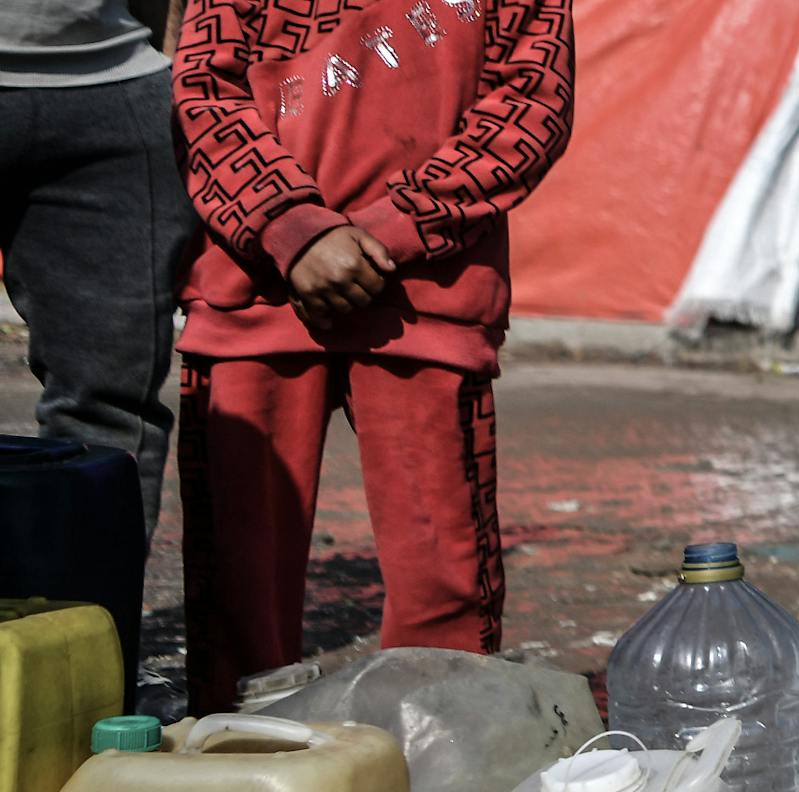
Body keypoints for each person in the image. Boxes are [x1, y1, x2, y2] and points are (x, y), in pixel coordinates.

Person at [171, 0, 571, 713]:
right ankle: (239, 782)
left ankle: (441, 785)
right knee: (238, 593)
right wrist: (289, 226)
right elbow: (204, 89)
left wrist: (390, 228)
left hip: (427, 298)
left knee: (441, 588)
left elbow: (531, 105)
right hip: (251, 292)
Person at [3, 0, 187, 537]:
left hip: (111, 83)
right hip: (113, 85)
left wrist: (165, 66)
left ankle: (85, 617)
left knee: (107, 421)